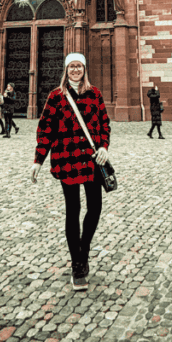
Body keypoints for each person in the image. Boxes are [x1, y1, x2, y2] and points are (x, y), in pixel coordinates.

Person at [32, 52, 110, 291]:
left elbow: (104, 123)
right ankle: (78, 264)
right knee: (73, 209)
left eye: (79, 66)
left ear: (85, 69)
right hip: (66, 159)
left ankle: (83, 250)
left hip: (91, 159)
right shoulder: (56, 97)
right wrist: (38, 160)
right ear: (66, 70)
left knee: (95, 207)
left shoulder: (94, 93)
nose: (75, 70)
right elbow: (45, 129)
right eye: (72, 67)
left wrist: (104, 147)